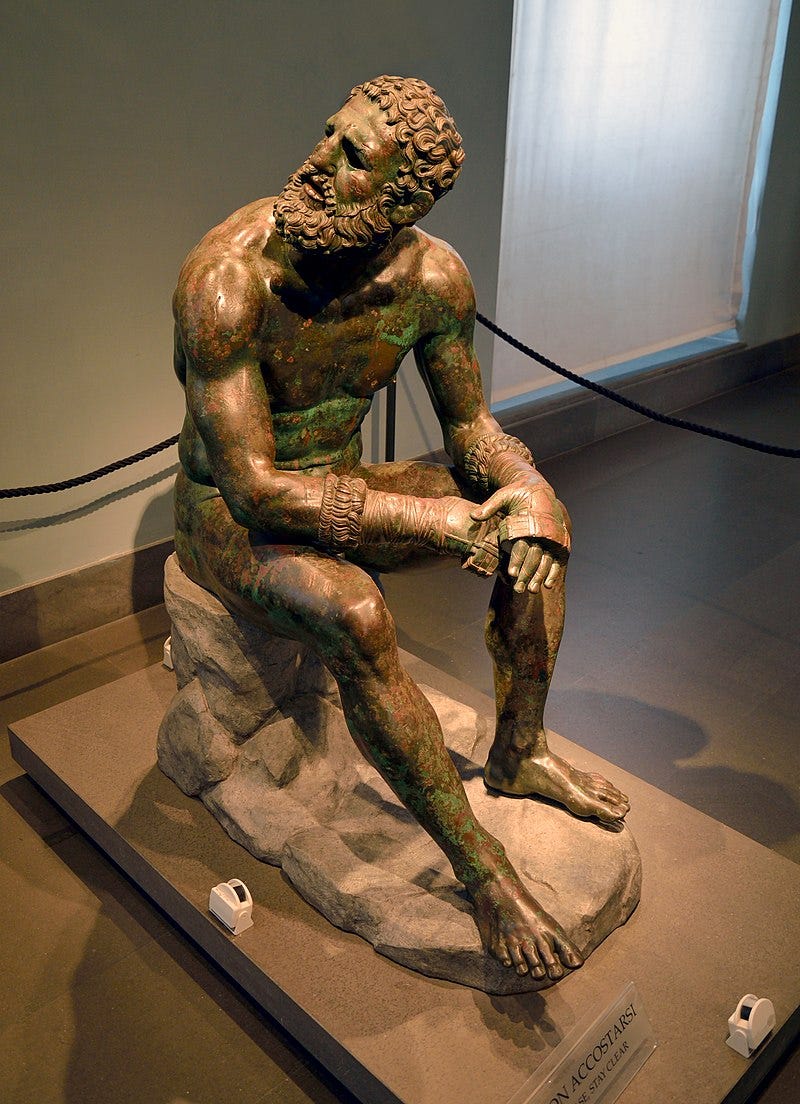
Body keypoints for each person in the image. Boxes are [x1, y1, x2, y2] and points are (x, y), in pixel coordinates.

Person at [171, 75, 629, 982]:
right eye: (328, 136)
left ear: (400, 199)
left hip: (333, 481)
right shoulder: (227, 279)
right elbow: (257, 489)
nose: (314, 163)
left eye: (350, 159)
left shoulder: (431, 280)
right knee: (359, 616)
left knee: (540, 529)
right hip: (226, 513)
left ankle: (518, 750)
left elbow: (469, 433)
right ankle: (483, 869)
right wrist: (436, 518)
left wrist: (525, 490)